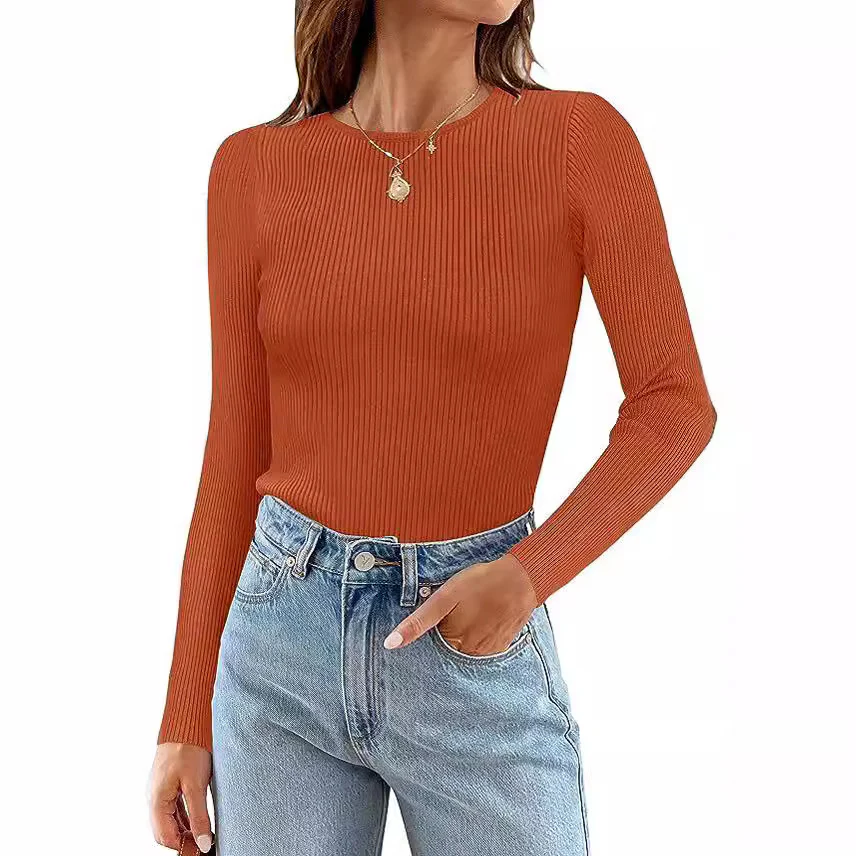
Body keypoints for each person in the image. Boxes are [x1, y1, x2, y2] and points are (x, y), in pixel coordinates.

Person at [148, 0, 716, 853]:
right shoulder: (253, 168)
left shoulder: (576, 141)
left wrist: (526, 576)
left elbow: (674, 403)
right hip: (278, 652)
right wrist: (185, 712)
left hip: (470, 642)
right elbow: (236, 448)